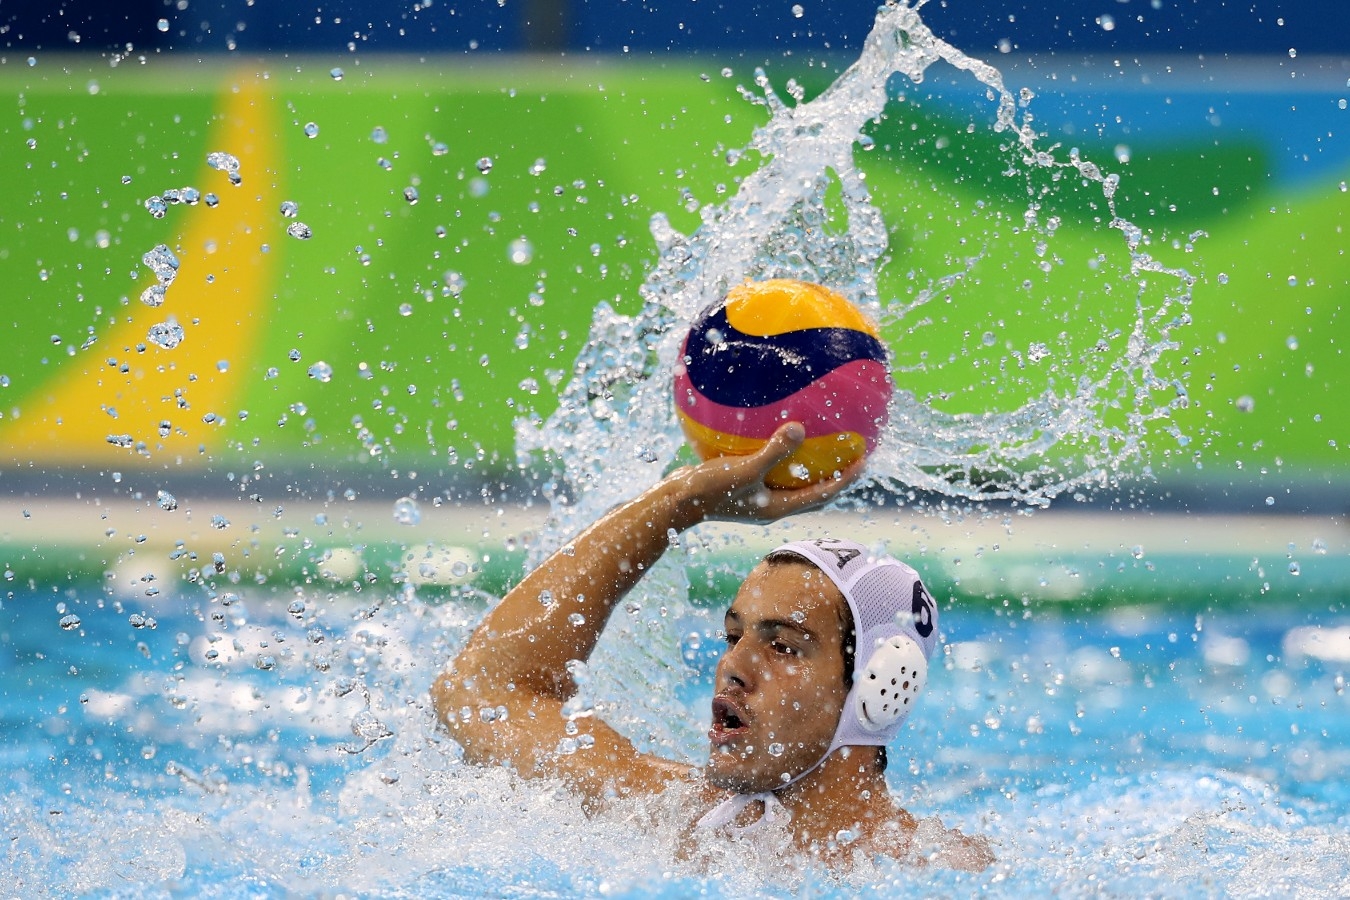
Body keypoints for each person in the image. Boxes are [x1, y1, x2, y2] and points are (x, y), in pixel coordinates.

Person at [432, 422, 992, 869]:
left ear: (880, 688)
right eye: (734, 635)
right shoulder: (672, 815)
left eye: (784, 646)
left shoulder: (937, 871)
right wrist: (680, 503)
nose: (733, 665)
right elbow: (479, 692)